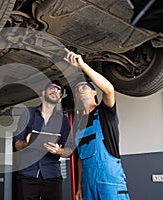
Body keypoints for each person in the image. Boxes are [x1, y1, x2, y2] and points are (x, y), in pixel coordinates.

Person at [64, 49, 130, 200]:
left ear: (94, 92)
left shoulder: (105, 112)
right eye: (77, 89)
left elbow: (109, 90)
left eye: (84, 87)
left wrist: (82, 66)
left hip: (109, 178)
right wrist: (80, 186)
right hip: (88, 181)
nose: (80, 90)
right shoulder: (79, 124)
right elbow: (81, 159)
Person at [13, 80, 72, 200]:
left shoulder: (63, 121)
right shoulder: (27, 114)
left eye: (58, 90)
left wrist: (58, 151)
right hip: (27, 175)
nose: (55, 91)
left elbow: (70, 150)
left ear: (60, 99)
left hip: (52, 175)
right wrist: (26, 143)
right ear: (44, 93)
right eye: (52, 88)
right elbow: (17, 144)